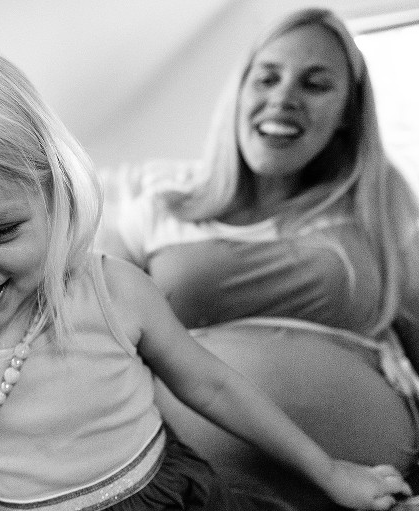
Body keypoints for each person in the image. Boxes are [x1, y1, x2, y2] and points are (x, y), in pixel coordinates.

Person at [0, 37, 411, 511]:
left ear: (54, 197)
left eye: (0, 231)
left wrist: (330, 472)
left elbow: (216, 389)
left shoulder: (110, 291)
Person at [97, 6, 419, 508]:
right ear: (240, 93)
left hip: (367, 489)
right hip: (190, 488)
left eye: (316, 84)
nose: (284, 98)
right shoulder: (158, 204)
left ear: (347, 114)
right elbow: (97, 340)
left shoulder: (376, 202)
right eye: (267, 77)